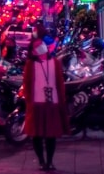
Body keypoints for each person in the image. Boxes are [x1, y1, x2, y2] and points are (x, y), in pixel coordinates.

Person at [23, 25, 70, 171]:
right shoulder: (30, 64)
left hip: (52, 103)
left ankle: (49, 161)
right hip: (37, 104)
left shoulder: (54, 62)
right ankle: (41, 161)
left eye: (41, 45)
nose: (40, 47)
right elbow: (27, 84)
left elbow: (60, 82)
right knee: (36, 135)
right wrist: (29, 102)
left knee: (51, 135)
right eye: (37, 46)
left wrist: (61, 100)